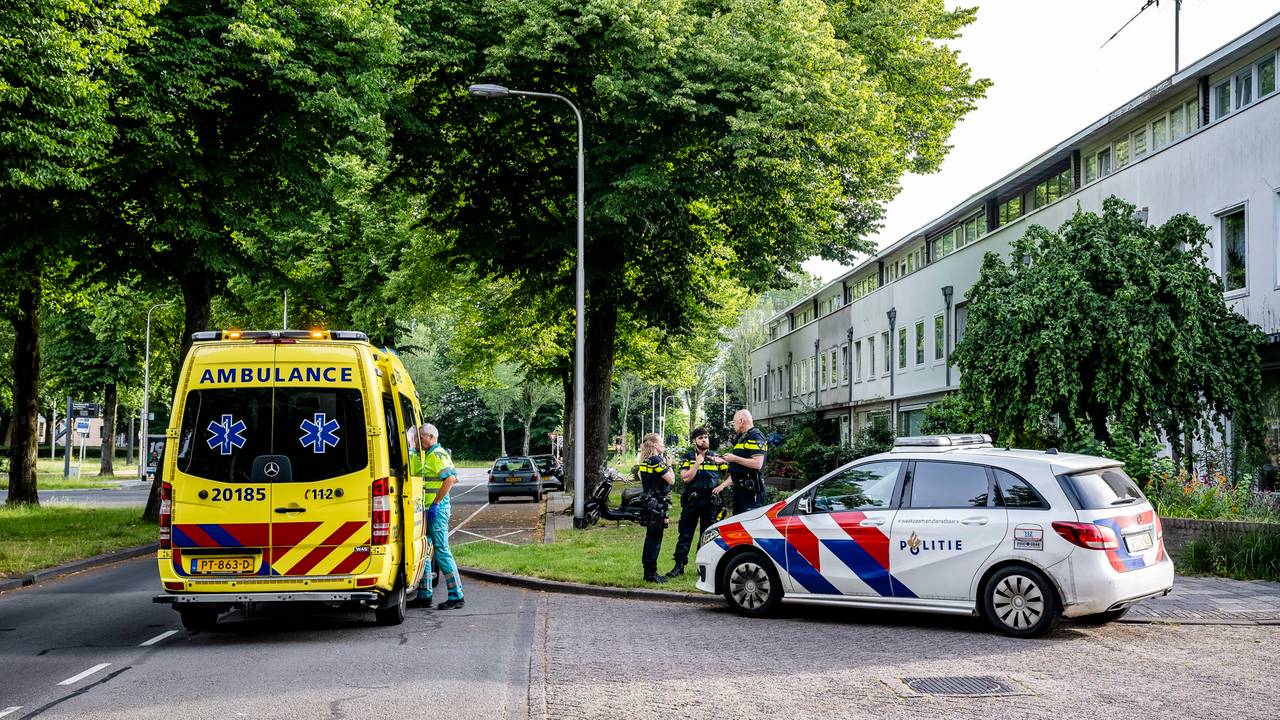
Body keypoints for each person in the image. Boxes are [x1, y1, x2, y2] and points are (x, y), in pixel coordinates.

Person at [410, 423, 464, 609]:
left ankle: (456, 595)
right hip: (426, 510)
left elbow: (450, 479)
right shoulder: (427, 455)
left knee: (441, 550)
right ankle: (425, 594)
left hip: (436, 511)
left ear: (431, 437)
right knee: (424, 551)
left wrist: (436, 503)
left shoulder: (438, 455)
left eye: (420, 437)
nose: (417, 441)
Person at [666, 427, 729, 578]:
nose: (704, 440)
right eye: (700, 437)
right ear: (694, 440)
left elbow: (733, 475)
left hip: (710, 501)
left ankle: (703, 568)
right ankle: (679, 566)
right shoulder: (687, 457)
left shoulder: (715, 457)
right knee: (685, 534)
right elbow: (685, 478)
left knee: (707, 536)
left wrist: (721, 486)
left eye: (706, 437)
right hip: (692, 500)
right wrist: (697, 463)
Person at [636, 432, 675, 583]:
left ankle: (648, 571)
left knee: (650, 538)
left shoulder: (645, 461)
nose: (663, 445)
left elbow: (642, 478)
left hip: (648, 502)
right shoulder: (656, 461)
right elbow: (671, 480)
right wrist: (669, 465)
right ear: (654, 444)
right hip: (657, 504)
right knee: (655, 539)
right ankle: (651, 574)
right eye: (661, 442)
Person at [722, 409, 768, 515]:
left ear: (742, 421)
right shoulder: (743, 438)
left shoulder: (755, 436)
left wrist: (734, 458)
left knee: (749, 525)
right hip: (740, 490)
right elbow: (741, 463)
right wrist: (724, 460)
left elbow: (757, 464)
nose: (733, 425)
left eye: (734, 421)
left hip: (750, 492)